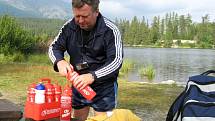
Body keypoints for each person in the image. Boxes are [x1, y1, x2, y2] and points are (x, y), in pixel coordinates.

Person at [48, 0, 123, 121]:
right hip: (78, 84)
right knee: (78, 119)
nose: (80, 21)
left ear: (96, 12)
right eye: (77, 16)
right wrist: (59, 61)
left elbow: (116, 61)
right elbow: (54, 47)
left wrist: (93, 76)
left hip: (104, 87)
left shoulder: (110, 30)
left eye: (85, 16)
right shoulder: (69, 27)